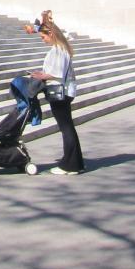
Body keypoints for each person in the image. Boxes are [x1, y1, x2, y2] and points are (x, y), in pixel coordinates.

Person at [31, 20, 85, 175]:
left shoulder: (59, 50)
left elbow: (57, 73)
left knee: (66, 128)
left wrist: (42, 75)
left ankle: (71, 165)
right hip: (64, 91)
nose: (43, 40)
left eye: (43, 37)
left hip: (60, 92)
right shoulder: (60, 48)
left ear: (51, 34)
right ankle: (75, 162)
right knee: (67, 127)